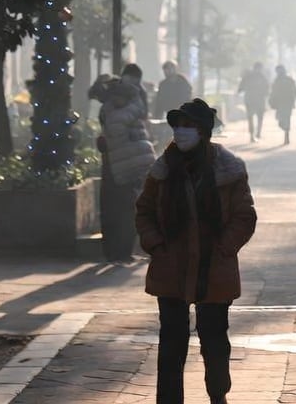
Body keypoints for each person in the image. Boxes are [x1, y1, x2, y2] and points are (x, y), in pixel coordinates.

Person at [135, 99, 257, 404]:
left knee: (214, 341)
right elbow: (144, 211)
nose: (180, 132)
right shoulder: (162, 169)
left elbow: (244, 216)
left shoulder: (228, 169)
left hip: (214, 267)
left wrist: (225, 247)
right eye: (177, 125)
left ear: (203, 131)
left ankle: (218, 394)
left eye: (188, 126)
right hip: (171, 267)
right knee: (171, 343)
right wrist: (156, 244)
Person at [90, 72, 157, 262]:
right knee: (127, 209)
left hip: (120, 166)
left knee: (119, 209)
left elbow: (113, 132)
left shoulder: (113, 111)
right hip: (135, 162)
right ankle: (123, 252)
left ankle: (118, 252)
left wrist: (104, 140)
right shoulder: (134, 106)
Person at [236, 62, 269, 142]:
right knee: (258, 117)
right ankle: (256, 133)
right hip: (258, 100)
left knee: (251, 117)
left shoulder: (248, 76)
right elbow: (267, 89)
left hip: (250, 100)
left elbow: (240, 88)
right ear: (260, 68)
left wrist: (240, 91)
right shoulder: (262, 76)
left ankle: (254, 135)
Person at [270, 65, 296, 146]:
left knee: (287, 118)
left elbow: (295, 89)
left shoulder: (289, 79)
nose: (279, 72)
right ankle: (285, 130)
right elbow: (273, 92)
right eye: (278, 71)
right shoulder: (276, 80)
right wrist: (271, 101)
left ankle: (286, 136)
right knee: (281, 120)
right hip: (280, 103)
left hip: (288, 102)